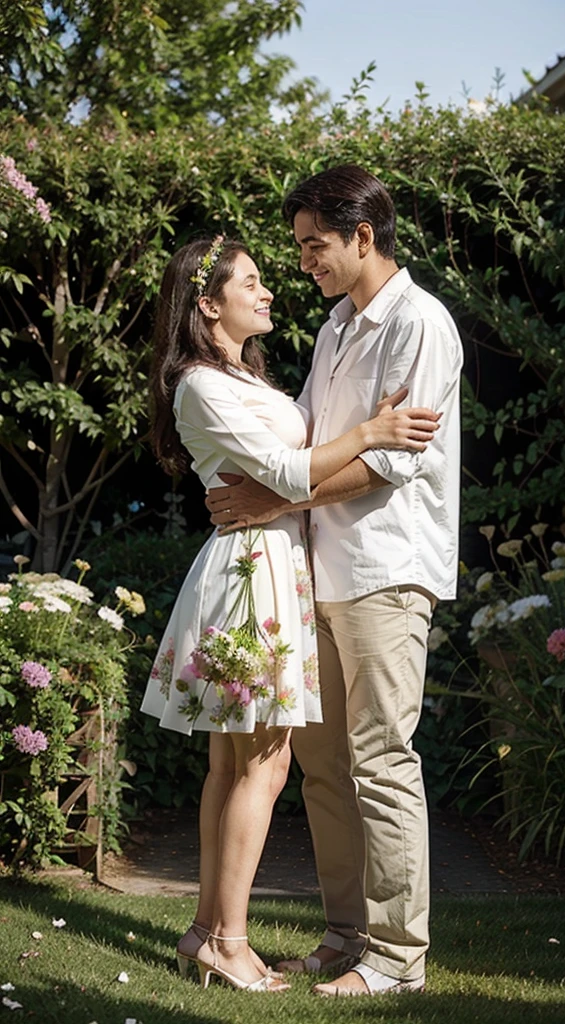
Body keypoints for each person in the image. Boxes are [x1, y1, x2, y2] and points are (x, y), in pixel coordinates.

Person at [140, 234, 441, 993]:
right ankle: (227, 940)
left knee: (244, 763)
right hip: (254, 573)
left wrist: (346, 437)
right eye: (251, 281)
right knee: (261, 764)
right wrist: (370, 432)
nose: (269, 290)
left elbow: (292, 448)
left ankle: (209, 931)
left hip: (276, 566)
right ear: (208, 304)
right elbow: (282, 469)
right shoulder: (204, 386)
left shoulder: (246, 378)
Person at [206, 165, 463, 996]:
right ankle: (346, 932)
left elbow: (387, 462)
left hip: (388, 570)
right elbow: (320, 439)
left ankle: (396, 958)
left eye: (315, 246)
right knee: (322, 767)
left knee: (383, 760)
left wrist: (267, 497)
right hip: (317, 573)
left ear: (362, 235)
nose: (306, 262)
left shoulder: (420, 323)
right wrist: (267, 487)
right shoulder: (333, 328)